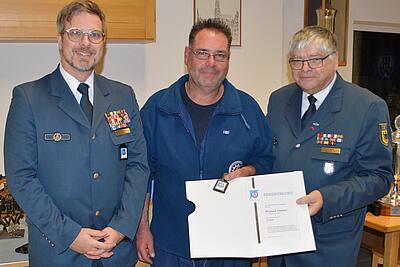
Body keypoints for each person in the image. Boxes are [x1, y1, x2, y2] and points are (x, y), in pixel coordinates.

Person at [4, 1, 149, 266]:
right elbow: (21, 178)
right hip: (59, 254)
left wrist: (121, 228)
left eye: (94, 35)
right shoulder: (29, 98)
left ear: (103, 42)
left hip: (116, 253)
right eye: (75, 33)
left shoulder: (122, 96)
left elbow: (138, 167)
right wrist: (70, 235)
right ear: (60, 39)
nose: (85, 42)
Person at [136, 18, 274, 266]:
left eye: (220, 55)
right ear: (187, 56)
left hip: (231, 247)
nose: (211, 63)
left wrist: (250, 171)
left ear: (228, 61)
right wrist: (142, 227)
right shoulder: (158, 109)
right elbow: (140, 175)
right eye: (203, 53)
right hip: (171, 246)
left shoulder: (247, 110)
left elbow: (266, 161)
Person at [266, 25, 393, 267]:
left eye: (314, 60)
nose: (304, 69)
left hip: (327, 245)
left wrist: (327, 198)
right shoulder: (279, 99)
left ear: (334, 60)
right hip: (279, 241)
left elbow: (379, 177)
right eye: (297, 61)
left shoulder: (366, 107)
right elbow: (268, 155)